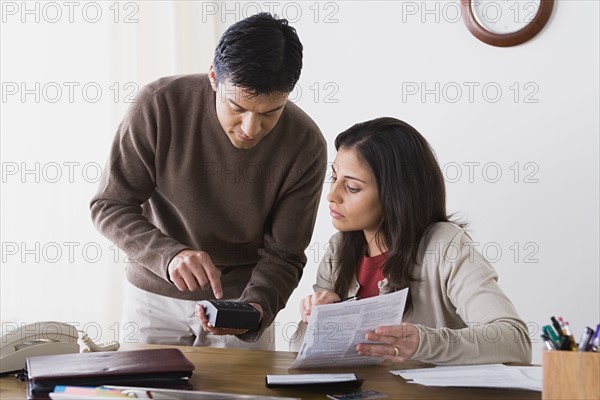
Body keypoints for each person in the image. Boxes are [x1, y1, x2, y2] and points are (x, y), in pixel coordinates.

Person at [90, 13, 327, 349]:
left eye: (270, 113)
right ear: (214, 77)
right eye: (237, 107)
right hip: (153, 295)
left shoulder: (305, 144)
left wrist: (256, 307)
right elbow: (109, 205)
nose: (250, 128)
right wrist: (169, 255)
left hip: (240, 303)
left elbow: (285, 254)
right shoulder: (158, 105)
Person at [295, 117, 531, 365]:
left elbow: (514, 340)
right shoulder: (338, 249)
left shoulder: (445, 246)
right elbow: (298, 353)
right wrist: (318, 321)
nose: (332, 195)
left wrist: (423, 342)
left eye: (352, 187)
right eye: (334, 177)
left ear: (396, 193)